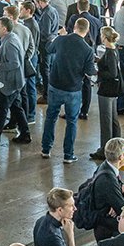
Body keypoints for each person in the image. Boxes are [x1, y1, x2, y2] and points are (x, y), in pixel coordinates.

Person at [42, 16, 96, 163]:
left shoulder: (61, 40)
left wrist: (59, 35)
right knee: (72, 122)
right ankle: (68, 155)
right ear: (87, 31)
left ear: (74, 27)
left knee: (51, 117)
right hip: (73, 89)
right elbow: (90, 71)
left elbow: (48, 49)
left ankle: (46, 149)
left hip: (55, 85)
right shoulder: (88, 50)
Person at [89, 137, 124, 242]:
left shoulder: (105, 166)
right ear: (121, 157)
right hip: (106, 228)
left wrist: (116, 199)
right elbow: (122, 208)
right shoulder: (109, 179)